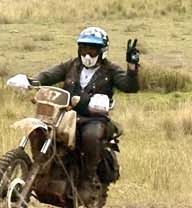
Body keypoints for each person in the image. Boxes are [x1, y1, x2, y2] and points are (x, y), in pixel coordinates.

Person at [29, 26, 140, 191]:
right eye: (84, 49)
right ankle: (41, 169)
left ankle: (88, 178)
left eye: (93, 50)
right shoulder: (71, 65)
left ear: (102, 51)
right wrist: (32, 81)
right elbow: (49, 74)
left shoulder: (110, 70)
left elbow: (129, 86)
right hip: (66, 116)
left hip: (94, 119)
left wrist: (132, 67)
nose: (87, 55)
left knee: (90, 136)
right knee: (39, 129)